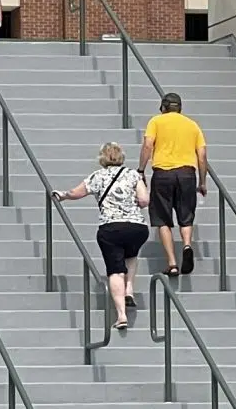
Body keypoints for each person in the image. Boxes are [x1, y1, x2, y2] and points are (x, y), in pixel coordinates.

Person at [54, 142, 149, 333]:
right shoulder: (133, 174)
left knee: (115, 270)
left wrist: (62, 195)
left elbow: (76, 193)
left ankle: (121, 315)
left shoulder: (97, 176)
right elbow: (145, 200)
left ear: (102, 158)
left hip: (111, 228)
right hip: (137, 227)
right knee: (131, 255)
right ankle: (129, 289)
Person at [140, 91, 208, 280]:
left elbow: (148, 145)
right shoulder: (192, 125)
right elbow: (202, 156)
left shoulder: (156, 121)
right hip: (187, 174)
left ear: (163, 107)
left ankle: (172, 264)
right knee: (186, 216)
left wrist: (140, 169)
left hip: (163, 173)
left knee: (162, 219)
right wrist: (202, 181)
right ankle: (187, 245)